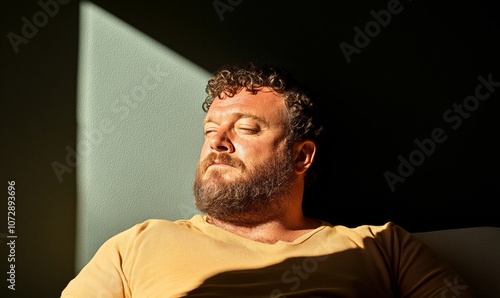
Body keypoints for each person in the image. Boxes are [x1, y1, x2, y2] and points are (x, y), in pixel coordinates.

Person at [61, 63, 476, 297]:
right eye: (209, 131)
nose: (217, 143)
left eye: (246, 128)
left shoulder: (382, 246)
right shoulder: (137, 245)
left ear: (301, 156)